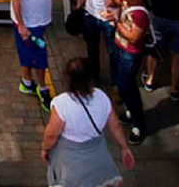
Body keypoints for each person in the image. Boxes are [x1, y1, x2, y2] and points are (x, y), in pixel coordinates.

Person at [41, 57, 136, 187]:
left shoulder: (61, 104)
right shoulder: (102, 97)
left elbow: (51, 135)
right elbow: (115, 126)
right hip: (97, 156)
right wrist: (124, 147)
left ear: (68, 79)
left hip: (69, 158)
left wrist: (45, 149)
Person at [11, 0, 53, 111]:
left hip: (39, 21)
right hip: (29, 24)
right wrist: (21, 25)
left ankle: (26, 82)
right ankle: (42, 88)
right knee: (39, 57)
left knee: (27, 53)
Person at [108, 0, 150, 144]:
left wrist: (116, 22)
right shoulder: (127, 0)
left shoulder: (140, 15)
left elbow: (134, 37)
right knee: (126, 85)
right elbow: (116, 1)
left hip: (130, 54)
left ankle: (139, 123)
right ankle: (131, 111)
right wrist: (111, 2)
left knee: (126, 88)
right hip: (119, 48)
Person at [76, 0, 123, 86]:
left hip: (108, 17)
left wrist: (115, 10)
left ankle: (115, 81)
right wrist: (79, 6)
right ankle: (94, 77)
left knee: (112, 50)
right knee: (92, 47)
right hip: (91, 14)